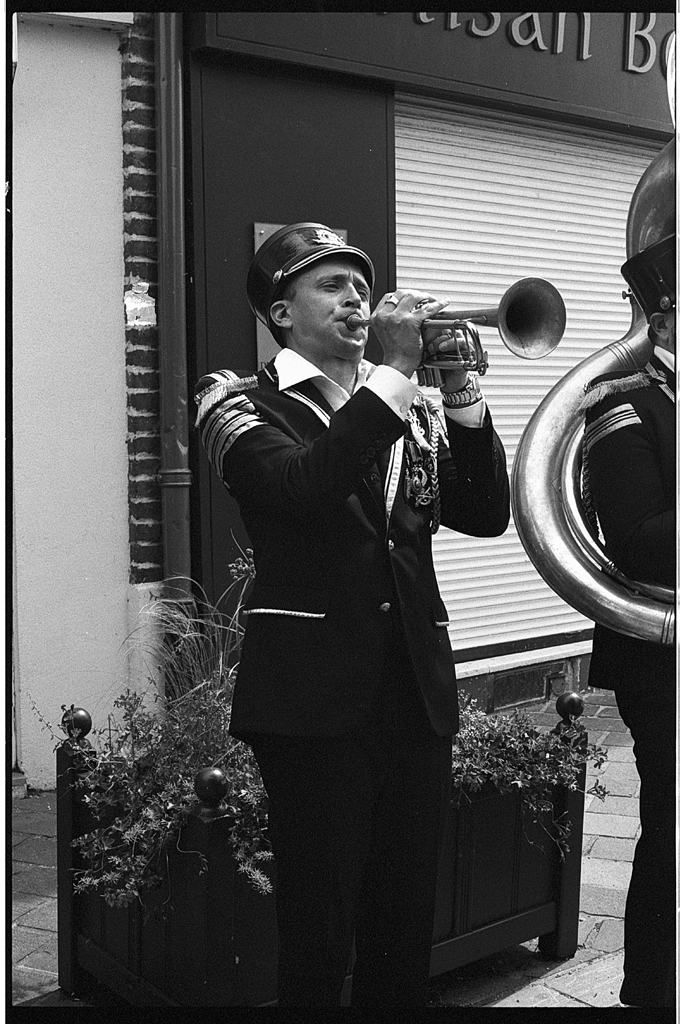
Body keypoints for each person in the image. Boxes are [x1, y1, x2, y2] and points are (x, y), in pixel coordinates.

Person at [194, 222, 510, 1007]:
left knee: (403, 921)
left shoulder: (413, 403)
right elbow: (305, 486)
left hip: (413, 690)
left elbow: (482, 512)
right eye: (330, 286)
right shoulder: (234, 403)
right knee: (319, 922)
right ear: (280, 313)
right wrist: (396, 374)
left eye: (360, 286)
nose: (356, 300)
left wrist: (464, 398)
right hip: (309, 701)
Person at [582, 233, 676, 1009]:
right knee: (676, 831)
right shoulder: (623, 405)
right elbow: (640, 538)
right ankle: (650, 992)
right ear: (670, 311)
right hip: (663, 657)